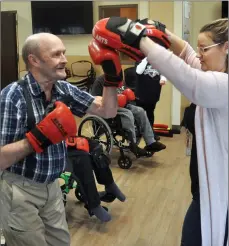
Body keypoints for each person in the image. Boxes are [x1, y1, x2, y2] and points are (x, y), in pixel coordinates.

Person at [92, 17, 228, 246]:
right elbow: (186, 53)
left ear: (226, 47)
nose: (199, 53)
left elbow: (188, 78)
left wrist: (138, 37)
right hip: (204, 192)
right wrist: (163, 31)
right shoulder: (212, 75)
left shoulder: (223, 85)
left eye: (204, 48)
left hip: (220, 198)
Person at [0, 32, 122, 246]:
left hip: (52, 187)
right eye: (56, 54)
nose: (65, 59)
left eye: (64, 53)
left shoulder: (63, 89)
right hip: (19, 190)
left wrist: (111, 77)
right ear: (34, 60)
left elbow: (107, 111)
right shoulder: (13, 96)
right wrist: (37, 138)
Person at [90, 74, 166, 156]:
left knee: (140, 111)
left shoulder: (119, 79)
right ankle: (132, 144)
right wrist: (111, 100)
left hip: (123, 106)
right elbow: (94, 99)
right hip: (109, 109)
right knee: (128, 114)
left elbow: (125, 92)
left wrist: (128, 96)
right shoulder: (100, 81)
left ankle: (151, 142)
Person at [66, 136, 126, 222]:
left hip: (62, 139)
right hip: (49, 148)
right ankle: (94, 205)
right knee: (81, 158)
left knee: (95, 146)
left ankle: (109, 184)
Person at [135, 57, 167, 140]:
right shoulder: (140, 60)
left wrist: (163, 79)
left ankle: (150, 133)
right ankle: (138, 131)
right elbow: (138, 71)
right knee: (139, 113)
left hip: (153, 93)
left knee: (150, 113)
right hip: (141, 93)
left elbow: (164, 72)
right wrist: (146, 59)